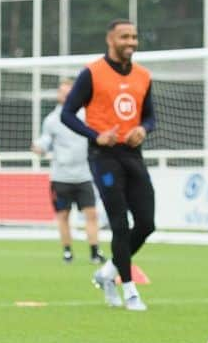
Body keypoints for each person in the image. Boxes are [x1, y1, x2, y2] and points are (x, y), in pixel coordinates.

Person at [61, 19, 155, 312]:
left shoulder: (144, 76)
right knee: (119, 223)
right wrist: (96, 135)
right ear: (110, 40)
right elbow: (68, 114)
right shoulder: (92, 73)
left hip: (132, 154)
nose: (131, 42)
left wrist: (145, 129)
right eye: (124, 37)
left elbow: (150, 116)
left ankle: (107, 273)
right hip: (104, 157)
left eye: (134, 37)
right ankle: (129, 291)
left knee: (147, 223)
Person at [31, 78, 106, 265]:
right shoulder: (51, 120)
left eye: (68, 92)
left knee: (91, 214)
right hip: (61, 176)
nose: (65, 95)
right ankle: (67, 252)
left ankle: (95, 252)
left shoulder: (86, 115)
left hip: (84, 175)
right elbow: (45, 141)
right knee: (63, 215)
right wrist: (39, 147)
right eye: (62, 92)